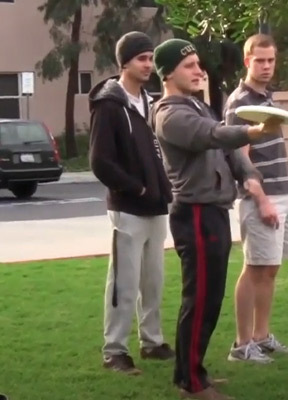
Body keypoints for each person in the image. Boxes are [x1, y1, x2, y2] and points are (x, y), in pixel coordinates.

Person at [151, 38, 281, 400]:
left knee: (209, 300)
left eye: (198, 63)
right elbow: (211, 135)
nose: (199, 70)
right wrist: (251, 131)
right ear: (168, 73)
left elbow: (227, 149)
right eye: (189, 65)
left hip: (212, 213)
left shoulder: (194, 105)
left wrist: (248, 173)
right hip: (194, 214)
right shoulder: (170, 113)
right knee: (199, 300)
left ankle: (191, 373)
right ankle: (192, 386)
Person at [88, 31, 175, 376]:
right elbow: (100, 161)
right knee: (124, 282)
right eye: (142, 58)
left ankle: (152, 342)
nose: (149, 65)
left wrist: (160, 189)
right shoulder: (110, 104)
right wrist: (136, 189)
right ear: (124, 62)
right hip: (128, 207)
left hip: (156, 206)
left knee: (153, 280)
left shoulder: (150, 103)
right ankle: (115, 350)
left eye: (151, 58)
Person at [223, 33, 288, 364]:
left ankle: (262, 337)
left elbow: (272, 151)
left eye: (271, 60)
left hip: (281, 194)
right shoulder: (240, 103)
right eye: (260, 60)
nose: (267, 66)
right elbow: (240, 157)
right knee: (253, 269)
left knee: (270, 269)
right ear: (247, 61)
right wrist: (263, 199)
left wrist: (287, 194)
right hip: (260, 198)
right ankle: (241, 346)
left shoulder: (267, 98)